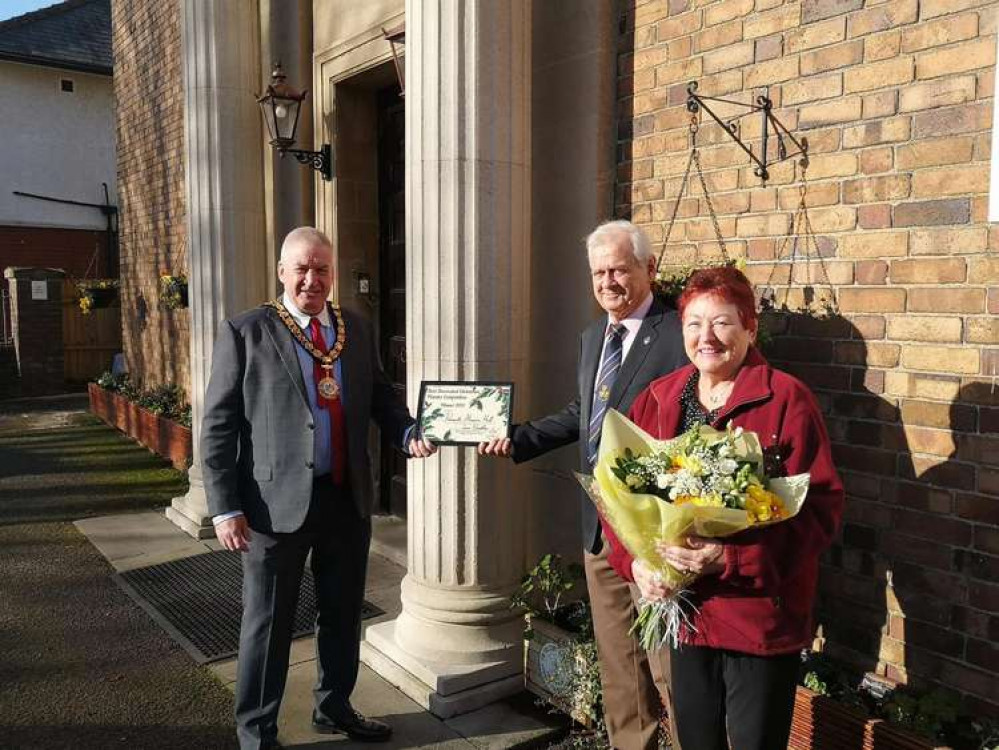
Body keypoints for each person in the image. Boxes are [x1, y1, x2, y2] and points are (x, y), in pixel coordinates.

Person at [202, 226, 437, 750]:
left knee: (341, 610)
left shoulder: (354, 327)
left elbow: (381, 396)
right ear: (283, 272)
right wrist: (224, 508)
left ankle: (333, 708)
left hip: (344, 496)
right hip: (272, 506)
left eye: (322, 269)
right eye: (302, 268)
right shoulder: (246, 332)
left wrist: (407, 431)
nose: (313, 278)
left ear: (333, 273)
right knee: (268, 622)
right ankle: (257, 732)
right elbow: (218, 425)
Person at [604, 266, 844, 750]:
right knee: (696, 741)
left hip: (758, 618)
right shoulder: (659, 398)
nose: (706, 337)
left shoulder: (786, 401)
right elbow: (618, 496)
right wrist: (637, 565)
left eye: (722, 322)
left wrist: (730, 559)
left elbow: (820, 512)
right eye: (694, 323)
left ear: (749, 327)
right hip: (688, 616)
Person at [479, 219, 688, 750]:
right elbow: (585, 413)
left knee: (670, 668)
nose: (608, 281)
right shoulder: (594, 337)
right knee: (620, 665)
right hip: (599, 531)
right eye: (599, 272)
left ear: (650, 269)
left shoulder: (681, 333)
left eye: (620, 268)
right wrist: (517, 437)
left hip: (654, 536)